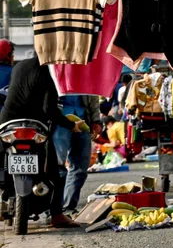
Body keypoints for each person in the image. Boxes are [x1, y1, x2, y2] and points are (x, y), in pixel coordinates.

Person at [0, 55, 86, 228]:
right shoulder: (51, 73)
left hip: (9, 121)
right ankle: (56, 215)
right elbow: (49, 110)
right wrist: (71, 125)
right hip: (35, 124)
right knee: (54, 169)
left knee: (2, 160)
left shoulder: (20, 65)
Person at [53, 94, 100, 214]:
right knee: (57, 167)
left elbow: (93, 95)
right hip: (60, 120)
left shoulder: (86, 75)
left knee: (80, 167)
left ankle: (68, 207)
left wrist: (96, 120)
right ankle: (54, 209)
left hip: (82, 118)